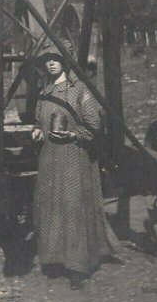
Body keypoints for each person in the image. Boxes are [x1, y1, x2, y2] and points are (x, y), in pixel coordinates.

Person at [31, 39, 119, 289]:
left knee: (73, 206)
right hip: (49, 158)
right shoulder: (44, 93)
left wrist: (75, 134)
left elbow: (93, 123)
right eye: (47, 60)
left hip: (73, 157)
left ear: (65, 62)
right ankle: (55, 260)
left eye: (56, 59)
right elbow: (39, 121)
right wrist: (37, 131)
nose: (51, 63)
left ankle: (77, 266)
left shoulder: (80, 90)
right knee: (51, 206)